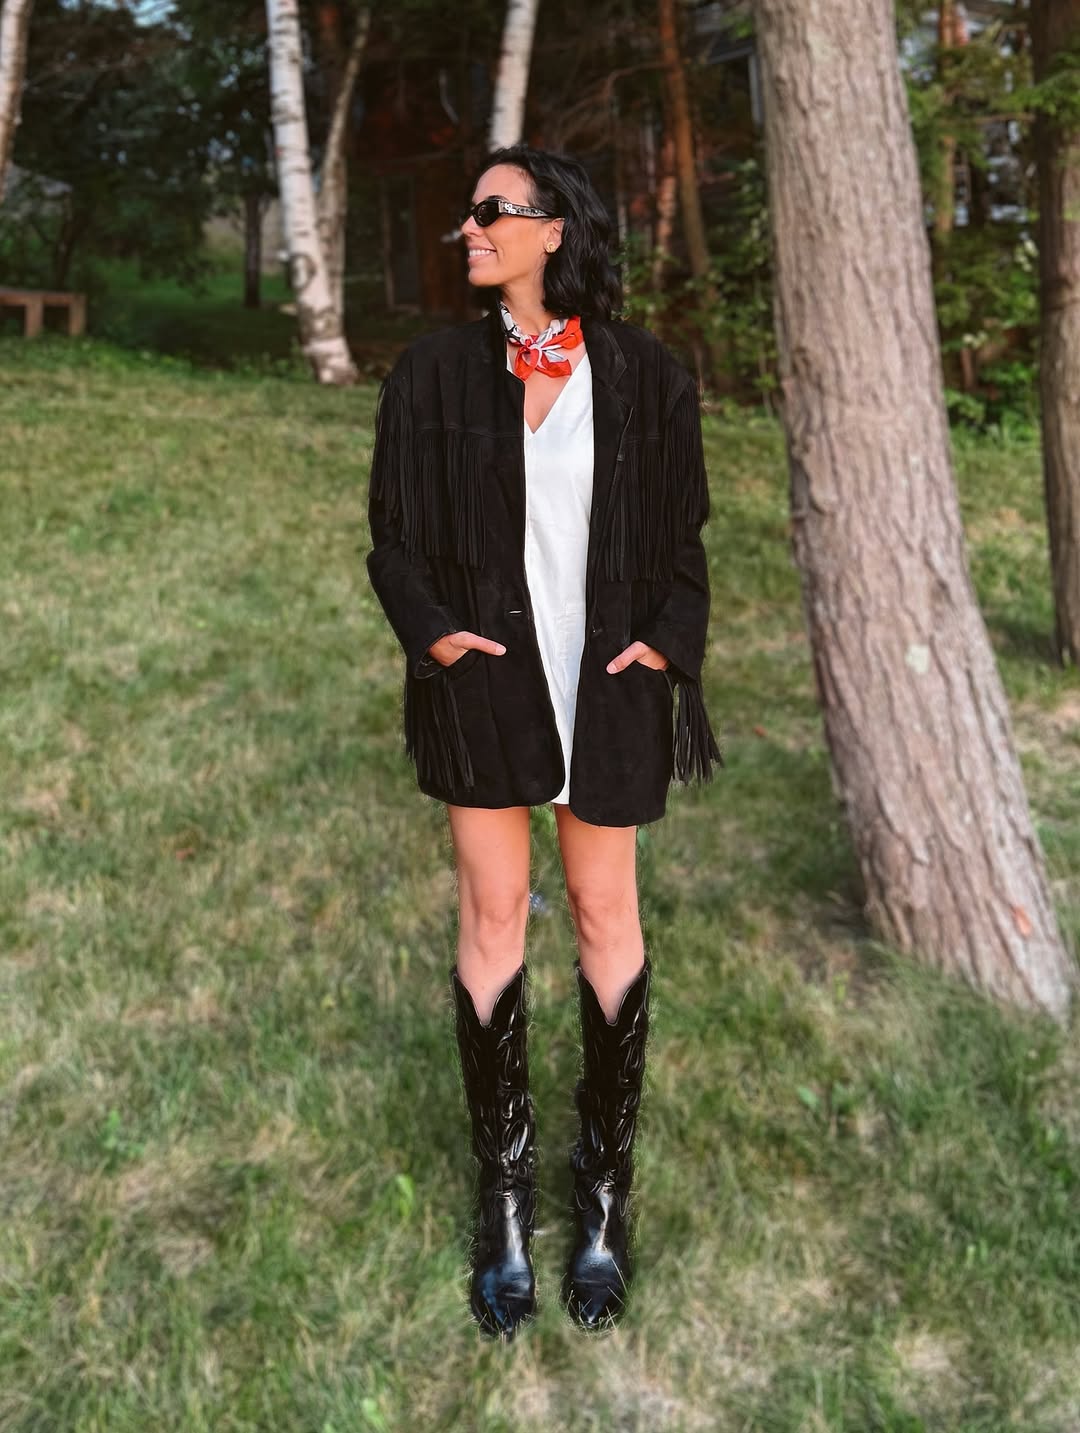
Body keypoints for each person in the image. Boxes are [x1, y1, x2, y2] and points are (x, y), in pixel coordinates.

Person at [366, 144, 721, 1339]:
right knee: (492, 913)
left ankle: (604, 1192)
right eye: (468, 212)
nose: (469, 228)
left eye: (492, 211)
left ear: (554, 228)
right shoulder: (429, 374)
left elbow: (684, 535)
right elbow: (391, 537)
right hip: (486, 683)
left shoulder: (646, 374)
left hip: (607, 683)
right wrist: (437, 635)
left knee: (607, 913)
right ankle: (506, 1194)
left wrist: (665, 643)